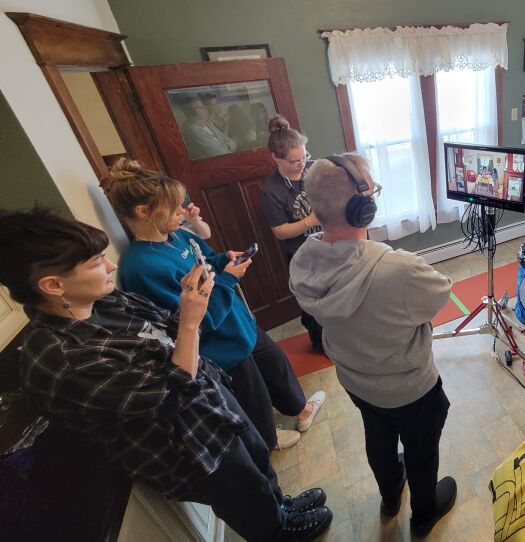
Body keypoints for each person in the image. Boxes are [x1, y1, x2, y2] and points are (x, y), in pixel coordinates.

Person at [0, 207, 332, 541]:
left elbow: (165, 328)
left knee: (257, 462)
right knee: (241, 492)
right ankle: (277, 532)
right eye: (97, 261)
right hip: (188, 445)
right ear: (53, 284)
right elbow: (172, 392)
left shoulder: (102, 302)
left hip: (211, 406)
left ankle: (281, 509)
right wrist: (190, 321)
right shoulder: (61, 359)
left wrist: (196, 298)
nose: (111, 265)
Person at [102, 159, 325, 452]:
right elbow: (191, 322)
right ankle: (267, 440)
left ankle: (299, 408)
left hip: (236, 318)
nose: (182, 211)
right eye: (173, 208)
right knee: (251, 392)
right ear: (143, 212)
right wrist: (228, 281)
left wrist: (224, 260)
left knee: (274, 363)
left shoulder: (178, 235)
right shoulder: (142, 267)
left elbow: (207, 260)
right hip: (220, 341)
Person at [288, 153, 457, 537]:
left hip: (356, 382)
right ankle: (425, 513)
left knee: (377, 436)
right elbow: (441, 293)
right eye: (371, 190)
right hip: (411, 389)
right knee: (422, 450)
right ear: (362, 208)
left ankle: (389, 494)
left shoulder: (303, 262)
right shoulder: (399, 269)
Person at [260, 115, 324, 352]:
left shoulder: (314, 169)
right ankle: (320, 344)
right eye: (294, 161)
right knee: (312, 304)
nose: (301, 164)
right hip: (302, 254)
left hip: (327, 244)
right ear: (276, 158)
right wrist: (311, 220)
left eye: (304, 157)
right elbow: (280, 232)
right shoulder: (271, 191)